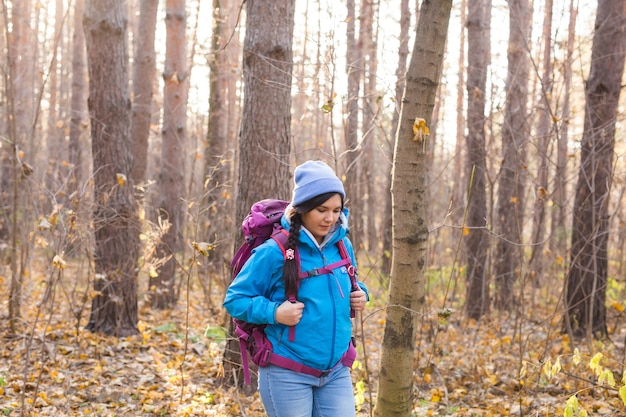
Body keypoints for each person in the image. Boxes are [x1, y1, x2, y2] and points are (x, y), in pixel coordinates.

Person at [224, 160, 369, 417]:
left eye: (336, 210)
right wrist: (275, 313)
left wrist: (361, 294)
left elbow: (348, 282)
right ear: (302, 209)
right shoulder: (274, 251)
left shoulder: (343, 246)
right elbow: (235, 299)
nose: (330, 218)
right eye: (321, 209)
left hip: (336, 371)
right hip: (286, 372)